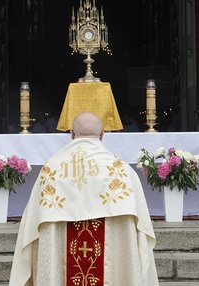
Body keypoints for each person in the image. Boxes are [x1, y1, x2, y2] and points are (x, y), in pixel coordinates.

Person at [9, 111, 159, 286]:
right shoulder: (123, 171)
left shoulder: (51, 169)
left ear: (72, 134)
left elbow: (31, 226)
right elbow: (142, 229)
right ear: (102, 135)